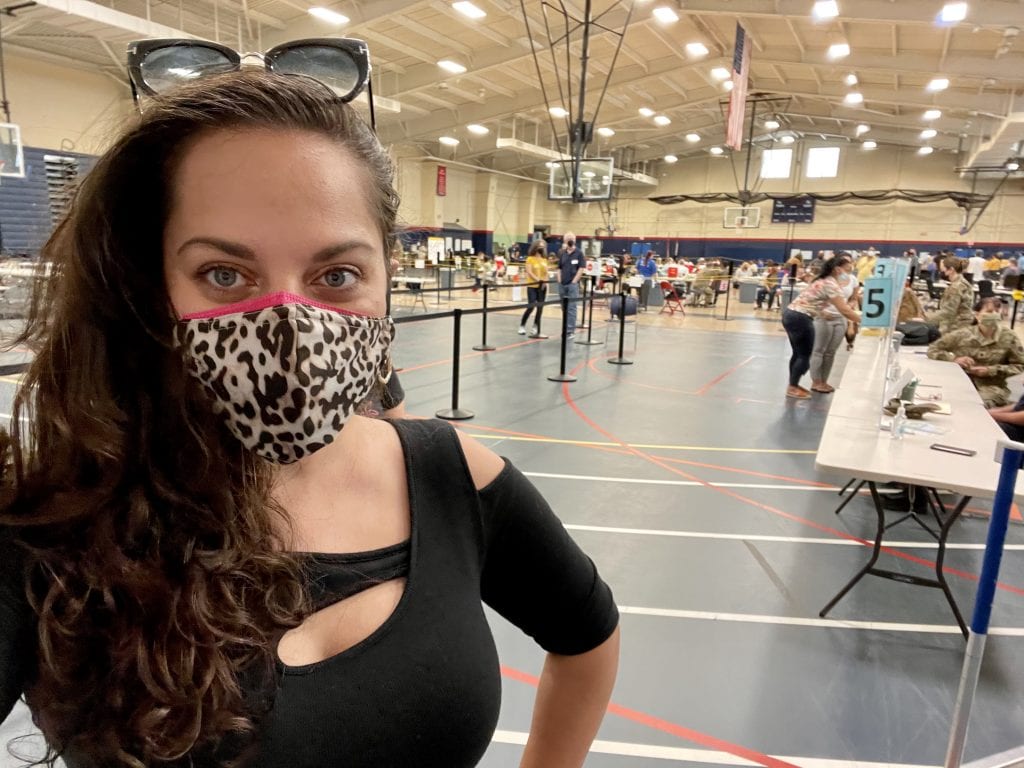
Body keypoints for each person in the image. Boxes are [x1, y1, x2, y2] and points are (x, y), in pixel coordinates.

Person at [0, 72, 620, 768]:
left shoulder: (451, 477)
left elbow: (588, 633)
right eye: (225, 274)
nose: (288, 323)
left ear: (386, 274)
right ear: (151, 288)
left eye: (336, 276)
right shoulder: (58, 519)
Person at [781, 255, 862, 399]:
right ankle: (792, 387)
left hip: (791, 314)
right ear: (838, 269)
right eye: (847, 269)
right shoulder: (830, 284)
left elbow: (813, 298)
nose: (849, 273)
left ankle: (792, 385)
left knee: (798, 353)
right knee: (805, 356)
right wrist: (865, 321)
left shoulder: (822, 280)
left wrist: (820, 311)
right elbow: (844, 310)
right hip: (801, 317)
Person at [927, 297, 1024, 407]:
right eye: (989, 312)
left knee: (976, 405)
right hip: (959, 382)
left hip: (992, 387)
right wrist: (953, 359)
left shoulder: (1009, 337)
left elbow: (1020, 365)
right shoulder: (962, 334)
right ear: (977, 315)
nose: (994, 315)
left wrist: (990, 370)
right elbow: (933, 349)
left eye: (997, 312)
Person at [808, 253, 859, 393]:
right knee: (818, 350)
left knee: (831, 352)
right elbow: (810, 297)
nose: (849, 265)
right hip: (824, 317)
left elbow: (854, 298)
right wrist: (820, 311)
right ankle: (816, 381)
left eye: (851, 262)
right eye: (846, 262)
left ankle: (824, 381)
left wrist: (851, 305)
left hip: (841, 317)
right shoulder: (826, 280)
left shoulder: (853, 280)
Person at [925, 255, 975, 335]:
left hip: (955, 327)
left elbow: (949, 311)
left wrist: (926, 320)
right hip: (964, 325)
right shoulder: (964, 283)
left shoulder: (956, 287)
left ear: (951, 270)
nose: (942, 271)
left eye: (944, 269)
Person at [519, 239, 549, 335]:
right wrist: (537, 280)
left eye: (543, 247)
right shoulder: (530, 259)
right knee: (531, 306)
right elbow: (529, 271)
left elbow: (546, 273)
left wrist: (545, 282)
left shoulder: (544, 260)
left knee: (540, 308)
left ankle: (535, 326)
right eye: (540, 246)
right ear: (535, 247)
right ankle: (522, 325)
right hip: (532, 285)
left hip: (542, 287)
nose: (542, 248)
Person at [556, 235, 584, 337]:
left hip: (572, 285)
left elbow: (581, 268)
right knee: (564, 307)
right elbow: (559, 268)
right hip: (562, 284)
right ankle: (565, 327)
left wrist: (574, 281)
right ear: (565, 241)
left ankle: (570, 331)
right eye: (567, 240)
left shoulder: (579, 253)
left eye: (571, 240)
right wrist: (559, 280)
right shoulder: (562, 253)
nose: (570, 242)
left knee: (572, 307)